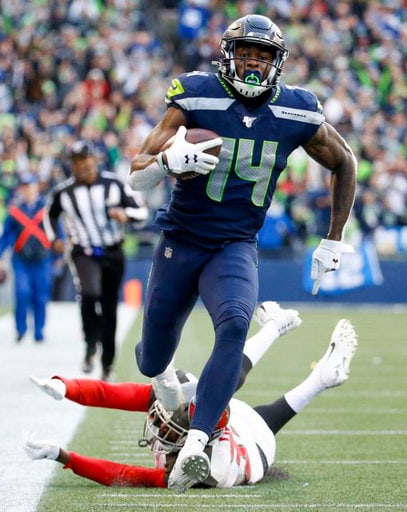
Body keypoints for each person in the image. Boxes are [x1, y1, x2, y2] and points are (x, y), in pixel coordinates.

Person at [123, 14, 358, 491]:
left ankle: (197, 442)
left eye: (264, 54)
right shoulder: (196, 94)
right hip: (181, 240)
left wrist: (334, 237)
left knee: (234, 322)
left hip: (234, 244)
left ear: (278, 62)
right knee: (152, 360)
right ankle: (166, 379)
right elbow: (137, 170)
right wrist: (168, 160)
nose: (254, 61)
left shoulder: (297, 110)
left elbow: (344, 161)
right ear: (229, 56)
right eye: (247, 52)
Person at [23, 302, 359, 489]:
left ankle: (313, 372)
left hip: (247, 455)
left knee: (235, 395)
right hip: (245, 455)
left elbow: (117, 471)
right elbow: (116, 467)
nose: (158, 419)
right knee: (226, 385)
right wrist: (64, 394)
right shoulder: (198, 434)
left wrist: (62, 454)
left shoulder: (172, 468)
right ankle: (297, 354)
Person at [45, 140, 147, 380]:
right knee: (90, 294)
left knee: (110, 307)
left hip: (112, 252)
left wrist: (125, 214)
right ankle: (91, 343)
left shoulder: (113, 183)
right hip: (83, 251)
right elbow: (49, 214)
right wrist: (54, 239)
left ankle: (107, 363)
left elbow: (141, 211)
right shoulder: (64, 192)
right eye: (76, 161)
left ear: (95, 160)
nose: (81, 166)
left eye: (85, 160)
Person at [0, 172, 53, 343]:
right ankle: (21, 329)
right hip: (21, 259)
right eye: (24, 187)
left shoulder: (46, 207)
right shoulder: (15, 210)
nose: (27, 190)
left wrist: (60, 253)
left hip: (42, 258)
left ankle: (39, 331)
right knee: (22, 292)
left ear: (36, 187)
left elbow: (56, 231)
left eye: (30, 186)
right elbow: (5, 236)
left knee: (40, 295)